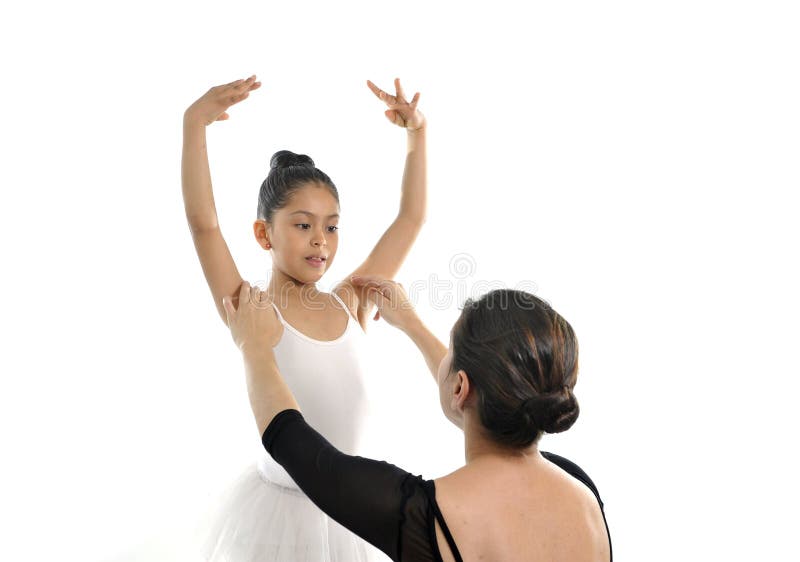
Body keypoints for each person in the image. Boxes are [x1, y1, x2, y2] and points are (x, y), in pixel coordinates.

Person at [182, 74, 427, 561]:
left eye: (331, 227)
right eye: (302, 225)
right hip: (277, 521)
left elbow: (410, 220)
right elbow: (204, 224)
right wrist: (194, 126)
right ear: (263, 233)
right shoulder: (249, 310)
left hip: (348, 514)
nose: (321, 240)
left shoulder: (350, 301)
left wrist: (417, 137)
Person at [221, 276, 613, 561]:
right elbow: (487, 399)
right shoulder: (580, 489)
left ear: (460, 388)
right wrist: (410, 322)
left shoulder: (426, 515)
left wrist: (254, 347)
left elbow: (299, 449)